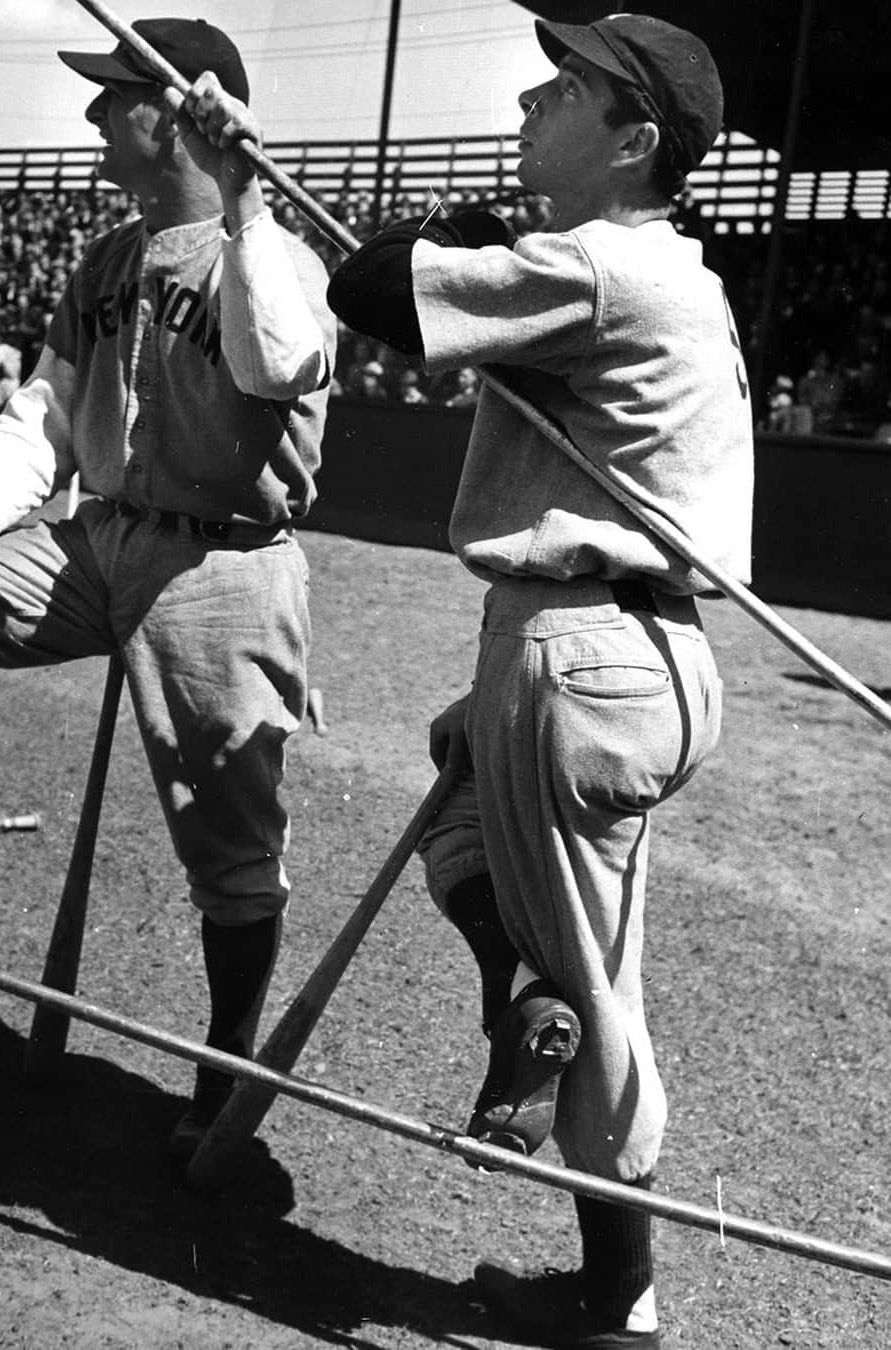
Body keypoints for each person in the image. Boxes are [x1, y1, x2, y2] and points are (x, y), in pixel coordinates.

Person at [0, 17, 335, 1159]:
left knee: (229, 851)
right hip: (102, 537)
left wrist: (245, 201)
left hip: (225, 563)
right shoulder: (108, 256)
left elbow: (279, 365)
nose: (96, 115)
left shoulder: (276, 254)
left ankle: (224, 1070)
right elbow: (47, 406)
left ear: (181, 113)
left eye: (115, 98)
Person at [327, 13, 752, 1349]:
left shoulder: (604, 264)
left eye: (564, 88)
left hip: (586, 647)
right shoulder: (648, 264)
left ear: (634, 143)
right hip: (621, 650)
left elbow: (367, 291)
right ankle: (532, 1020)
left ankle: (620, 1310)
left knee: (599, 990)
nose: (527, 96)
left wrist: (453, 224)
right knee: (465, 843)